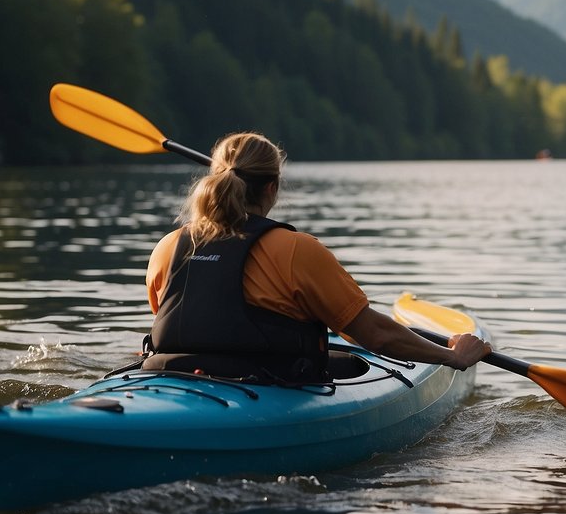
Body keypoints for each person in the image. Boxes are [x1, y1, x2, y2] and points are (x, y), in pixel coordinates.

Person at [145, 131, 491, 381]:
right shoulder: (297, 250)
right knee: (352, 362)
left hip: (172, 374)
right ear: (272, 188)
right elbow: (373, 335)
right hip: (267, 382)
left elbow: (182, 316)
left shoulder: (168, 246)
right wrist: (451, 356)